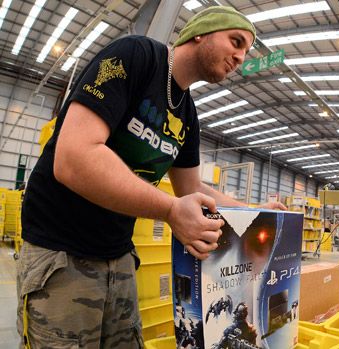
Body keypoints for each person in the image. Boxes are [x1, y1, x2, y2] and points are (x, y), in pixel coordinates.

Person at [16, 6, 285, 348]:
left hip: (118, 256)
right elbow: (74, 158)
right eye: (236, 41)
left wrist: (256, 209)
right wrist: (171, 211)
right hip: (60, 253)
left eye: (246, 51)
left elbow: (192, 189)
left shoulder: (186, 113)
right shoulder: (135, 57)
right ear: (200, 33)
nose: (241, 57)